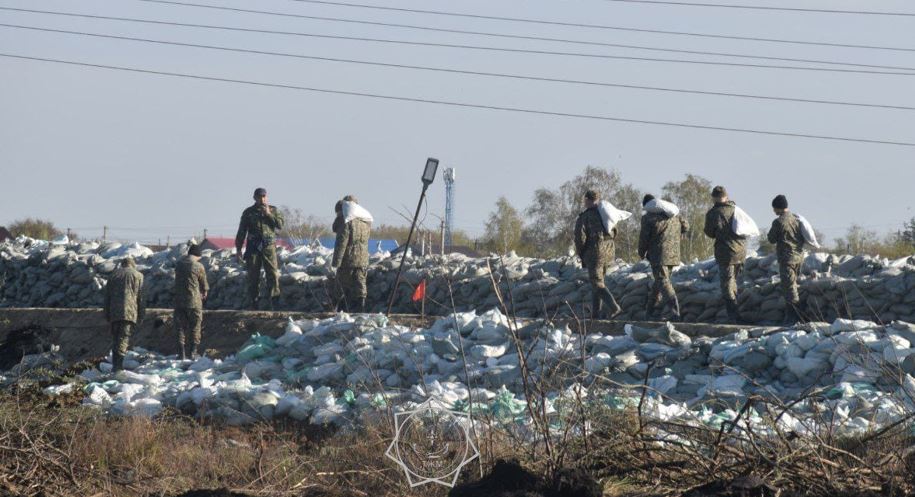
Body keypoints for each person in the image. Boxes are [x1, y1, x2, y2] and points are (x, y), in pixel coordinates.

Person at [638, 194, 689, 320]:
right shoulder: (674, 215)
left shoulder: (648, 218)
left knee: (662, 281)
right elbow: (686, 226)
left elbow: (644, 237)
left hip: (658, 254)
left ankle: (674, 311)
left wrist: (641, 251)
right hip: (674, 254)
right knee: (659, 282)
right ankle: (650, 312)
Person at [574, 190, 622, 320]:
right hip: (608, 253)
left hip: (594, 253)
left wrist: (581, 253)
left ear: (588, 200)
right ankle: (596, 314)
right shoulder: (606, 214)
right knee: (598, 282)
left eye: (585, 200)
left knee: (596, 283)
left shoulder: (585, 217)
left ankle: (614, 307)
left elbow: (580, 238)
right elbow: (615, 231)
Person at [703, 186, 748, 324]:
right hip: (741, 252)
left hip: (726, 253)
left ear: (714, 197)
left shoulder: (713, 213)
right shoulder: (736, 209)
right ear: (726, 196)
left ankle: (733, 315)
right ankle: (736, 313)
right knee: (733, 281)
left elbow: (710, 232)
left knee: (727, 285)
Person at [235, 187, 285, 310]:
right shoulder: (248, 212)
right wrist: (238, 249)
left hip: (268, 246)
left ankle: (275, 303)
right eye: (259, 197)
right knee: (253, 276)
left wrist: (268, 214)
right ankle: (254, 303)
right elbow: (242, 231)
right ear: (255, 198)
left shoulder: (273, 210)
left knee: (272, 275)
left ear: (266, 197)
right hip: (253, 247)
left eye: (264, 196)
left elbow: (280, 225)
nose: (262, 199)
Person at [767, 194, 806, 325]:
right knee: (794, 285)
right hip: (799, 257)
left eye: (774, 209)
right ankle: (796, 315)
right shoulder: (796, 219)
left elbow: (771, 239)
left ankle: (794, 317)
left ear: (778, 208)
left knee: (789, 287)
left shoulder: (778, 222)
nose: (773, 211)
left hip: (787, 258)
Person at [103, 257, 145, 372]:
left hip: (114, 311)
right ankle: (118, 366)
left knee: (116, 337)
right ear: (132, 264)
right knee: (123, 338)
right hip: (129, 312)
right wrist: (141, 314)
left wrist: (106, 313)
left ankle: (116, 364)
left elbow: (107, 296)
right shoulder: (138, 276)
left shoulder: (113, 275)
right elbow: (140, 297)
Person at [331, 195, 371, 312]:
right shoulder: (365, 221)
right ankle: (361, 309)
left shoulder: (346, 221)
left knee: (340, 285)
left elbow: (341, 243)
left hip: (348, 258)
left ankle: (335, 309)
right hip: (363, 259)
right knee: (360, 284)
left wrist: (336, 262)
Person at [173, 243, 209, 360]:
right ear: (198, 255)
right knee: (195, 326)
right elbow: (204, 284)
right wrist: (204, 291)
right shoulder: (198, 266)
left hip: (179, 301)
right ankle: (193, 352)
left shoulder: (178, 264)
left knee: (180, 327)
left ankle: (181, 353)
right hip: (194, 301)